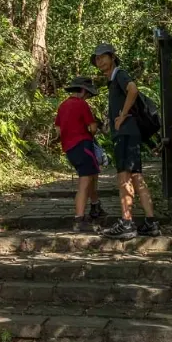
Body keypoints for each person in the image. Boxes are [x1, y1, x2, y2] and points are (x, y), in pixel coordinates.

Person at [91, 43, 160, 239]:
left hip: (126, 133)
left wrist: (122, 116)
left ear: (112, 57)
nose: (99, 61)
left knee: (124, 176)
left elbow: (133, 89)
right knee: (137, 176)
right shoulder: (112, 81)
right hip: (131, 133)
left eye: (103, 56)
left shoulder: (119, 74)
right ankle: (151, 222)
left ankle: (127, 222)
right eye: (97, 58)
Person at [54, 76, 106, 232]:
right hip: (83, 146)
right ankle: (79, 219)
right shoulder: (82, 104)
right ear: (83, 91)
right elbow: (92, 128)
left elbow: (58, 130)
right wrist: (93, 126)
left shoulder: (63, 106)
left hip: (70, 149)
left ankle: (95, 206)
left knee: (92, 175)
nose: (88, 96)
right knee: (84, 183)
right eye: (88, 93)